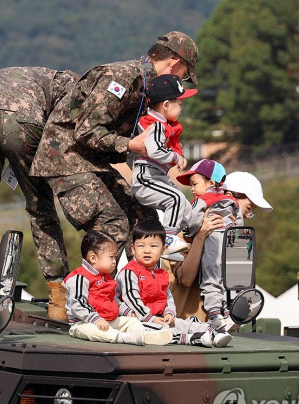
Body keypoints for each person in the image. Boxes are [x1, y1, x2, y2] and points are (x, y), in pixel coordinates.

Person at [30, 31, 200, 261]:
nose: (181, 82)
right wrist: (131, 145)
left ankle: (138, 288)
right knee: (113, 224)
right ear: (175, 64)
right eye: (185, 75)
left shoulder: (146, 88)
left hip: (92, 161)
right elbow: (86, 131)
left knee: (146, 221)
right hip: (66, 158)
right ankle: (96, 293)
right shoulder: (121, 77)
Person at [0, 67, 80, 317]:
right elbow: (66, 129)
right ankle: (58, 302)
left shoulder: (19, 75)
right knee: (41, 210)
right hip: (23, 120)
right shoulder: (70, 85)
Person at [168, 171, 273, 322]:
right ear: (228, 198)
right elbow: (186, 279)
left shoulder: (236, 240)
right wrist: (201, 236)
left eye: (252, 212)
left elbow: (239, 285)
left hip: (218, 329)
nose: (245, 216)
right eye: (248, 208)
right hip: (185, 329)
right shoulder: (182, 237)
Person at [116, 218, 232, 347]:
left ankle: (212, 332)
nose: (147, 251)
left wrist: (169, 313)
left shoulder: (161, 274)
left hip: (159, 317)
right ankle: (192, 339)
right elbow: (132, 300)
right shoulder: (129, 272)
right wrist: (150, 318)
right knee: (160, 332)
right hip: (138, 319)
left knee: (182, 323)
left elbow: (168, 298)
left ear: (163, 249)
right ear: (133, 249)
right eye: (141, 246)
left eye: (153, 246)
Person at [129, 73, 197, 260]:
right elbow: (154, 150)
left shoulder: (164, 124)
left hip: (157, 176)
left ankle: (181, 238)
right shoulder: (156, 125)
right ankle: (168, 241)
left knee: (183, 204)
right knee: (174, 198)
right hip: (146, 178)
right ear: (166, 105)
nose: (181, 107)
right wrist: (176, 157)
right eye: (179, 103)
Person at [64, 230, 174, 346]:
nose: (114, 262)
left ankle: (144, 335)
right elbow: (78, 303)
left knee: (132, 322)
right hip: (85, 322)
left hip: (109, 321)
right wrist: (95, 318)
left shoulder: (107, 278)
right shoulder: (79, 277)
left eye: (115, 257)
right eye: (111, 257)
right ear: (93, 258)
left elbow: (114, 300)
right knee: (91, 331)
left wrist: (127, 311)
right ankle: (124, 337)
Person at [176, 159, 240, 332]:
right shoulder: (231, 200)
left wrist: (189, 232)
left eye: (194, 183)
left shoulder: (202, 201)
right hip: (228, 248)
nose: (192, 189)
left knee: (210, 281)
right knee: (226, 281)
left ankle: (214, 315)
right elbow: (239, 221)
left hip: (212, 248)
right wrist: (236, 229)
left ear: (210, 182)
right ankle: (227, 313)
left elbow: (193, 220)